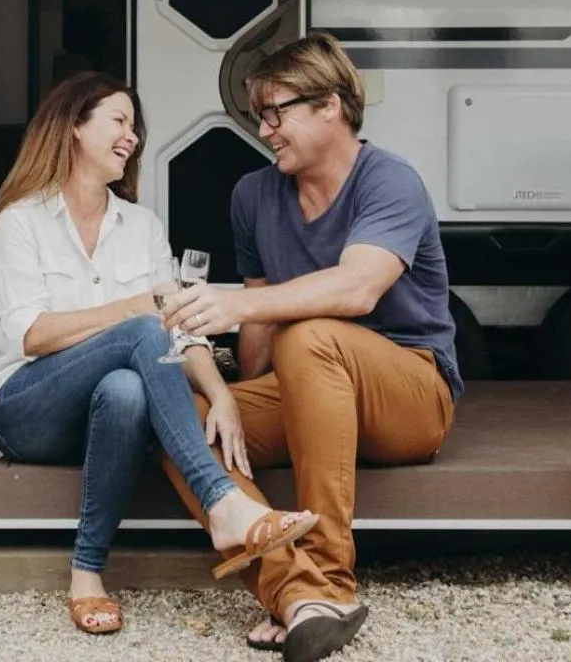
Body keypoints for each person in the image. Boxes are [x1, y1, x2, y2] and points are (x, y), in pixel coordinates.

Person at [0, 70, 319, 636]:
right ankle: (223, 504)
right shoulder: (20, 222)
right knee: (140, 327)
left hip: (106, 412)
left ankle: (87, 573)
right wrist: (135, 308)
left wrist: (221, 396)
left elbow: (178, 329)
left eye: (134, 127)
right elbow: (32, 335)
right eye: (118, 121)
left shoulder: (142, 226)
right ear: (73, 127)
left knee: (127, 388)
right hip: (24, 406)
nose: (132, 137)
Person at [160, 33, 460, 661]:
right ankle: (295, 592)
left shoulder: (391, 181)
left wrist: (235, 306)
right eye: (259, 115)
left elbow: (357, 289)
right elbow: (260, 331)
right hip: (310, 385)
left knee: (310, 335)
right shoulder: (253, 195)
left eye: (277, 112)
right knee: (176, 416)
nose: (265, 130)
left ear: (331, 105)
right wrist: (236, 400)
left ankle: (330, 578)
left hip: (410, 394)